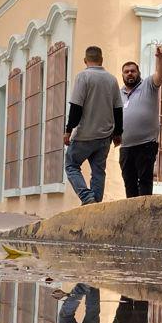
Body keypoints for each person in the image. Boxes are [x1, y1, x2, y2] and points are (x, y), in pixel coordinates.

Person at [63, 46, 123, 205]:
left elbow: (76, 107)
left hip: (84, 134)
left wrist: (68, 130)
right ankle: (95, 204)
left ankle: (87, 197)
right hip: (105, 136)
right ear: (102, 60)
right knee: (98, 172)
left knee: (71, 165)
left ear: (85, 60)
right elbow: (118, 109)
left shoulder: (83, 76)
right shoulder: (112, 79)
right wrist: (118, 133)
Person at [118, 58, 162, 198]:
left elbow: (160, 75)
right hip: (126, 146)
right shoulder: (118, 94)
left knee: (145, 182)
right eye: (126, 72)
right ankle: (133, 215)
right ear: (122, 75)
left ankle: (144, 213)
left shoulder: (148, 85)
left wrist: (160, 58)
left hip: (146, 145)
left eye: (133, 71)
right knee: (129, 183)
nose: (130, 74)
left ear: (138, 72)